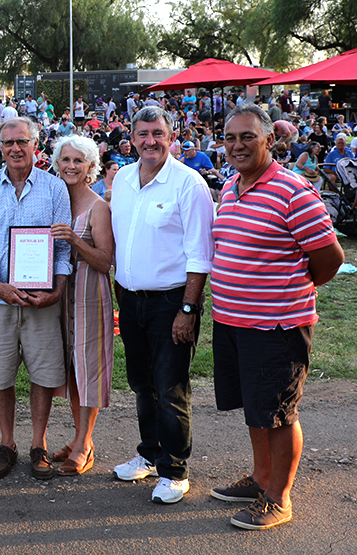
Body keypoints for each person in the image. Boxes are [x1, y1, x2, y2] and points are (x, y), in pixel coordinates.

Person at [209, 104, 344, 530]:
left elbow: (329, 258)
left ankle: (278, 498)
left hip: (277, 326)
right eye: (230, 138)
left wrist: (289, 292)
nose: (237, 145)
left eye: (247, 136)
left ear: (270, 140)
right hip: (233, 322)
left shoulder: (292, 190)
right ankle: (261, 478)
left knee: (280, 412)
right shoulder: (232, 187)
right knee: (256, 408)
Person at [107, 106, 214, 504]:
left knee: (170, 386)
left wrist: (187, 310)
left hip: (172, 301)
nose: (150, 141)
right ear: (131, 138)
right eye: (142, 134)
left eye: (158, 133)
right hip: (131, 299)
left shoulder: (188, 184)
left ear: (171, 137)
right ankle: (150, 453)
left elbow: (200, 255)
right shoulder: (123, 181)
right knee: (141, 383)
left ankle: (175, 469)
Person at [0, 116, 72, 481]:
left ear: (35, 146)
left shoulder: (54, 189)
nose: (15, 148)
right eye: (9, 142)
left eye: (22, 142)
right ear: (0, 145)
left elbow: (62, 248)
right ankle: (7, 443)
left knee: (43, 372)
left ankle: (38, 444)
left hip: (41, 300)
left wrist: (57, 290)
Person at [48, 135, 115, 477]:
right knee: (71, 371)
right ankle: (79, 437)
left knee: (89, 369)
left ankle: (84, 444)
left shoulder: (98, 207)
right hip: (59, 299)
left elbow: (106, 261)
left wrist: (75, 239)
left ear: (91, 167)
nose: (71, 166)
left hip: (90, 296)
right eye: (66, 160)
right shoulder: (52, 202)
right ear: (56, 163)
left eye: (79, 161)